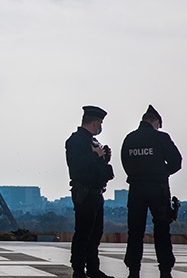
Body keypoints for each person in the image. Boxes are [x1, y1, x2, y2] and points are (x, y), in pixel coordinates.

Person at [121, 105, 182, 278]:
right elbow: (177, 162)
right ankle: (165, 271)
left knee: (135, 231)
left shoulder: (130, 138)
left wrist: (139, 175)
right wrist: (161, 172)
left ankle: (133, 271)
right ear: (155, 121)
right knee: (162, 230)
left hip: (136, 189)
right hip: (158, 189)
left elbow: (126, 163)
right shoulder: (161, 137)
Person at [65, 105, 115, 278]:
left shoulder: (93, 142)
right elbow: (76, 166)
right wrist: (95, 155)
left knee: (95, 233)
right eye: (100, 122)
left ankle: (93, 268)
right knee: (84, 233)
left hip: (96, 192)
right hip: (84, 193)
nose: (101, 126)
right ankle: (79, 270)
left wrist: (104, 156)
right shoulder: (76, 141)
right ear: (95, 122)